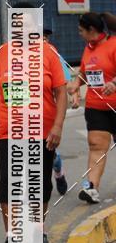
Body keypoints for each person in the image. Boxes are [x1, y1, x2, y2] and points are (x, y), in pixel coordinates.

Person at [0, 4, 68, 243]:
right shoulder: (3, 53)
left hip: (42, 130)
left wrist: (58, 126)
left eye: (25, 24)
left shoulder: (48, 52)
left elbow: (61, 91)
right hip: (9, 129)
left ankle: (37, 229)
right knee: (10, 183)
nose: (20, 28)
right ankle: (13, 238)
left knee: (39, 182)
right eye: (16, 23)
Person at [69, 12, 116, 204]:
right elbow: (85, 72)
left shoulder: (114, 45)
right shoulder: (88, 48)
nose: (79, 34)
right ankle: (91, 187)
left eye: (81, 30)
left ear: (92, 29)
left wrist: (114, 83)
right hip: (96, 106)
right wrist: (76, 84)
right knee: (96, 146)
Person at [42, 21, 72, 195]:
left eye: (46, 37)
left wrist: (74, 95)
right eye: (41, 36)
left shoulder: (54, 55)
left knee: (50, 151)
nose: (44, 40)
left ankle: (58, 173)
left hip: (50, 112)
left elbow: (64, 86)